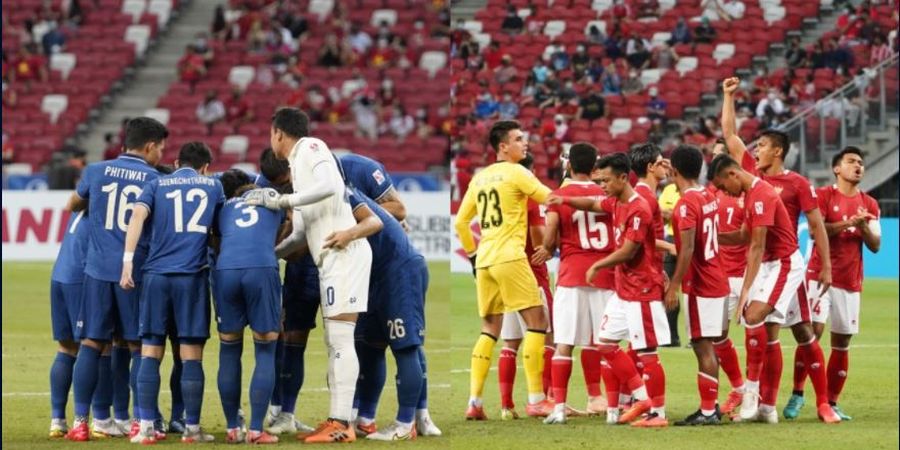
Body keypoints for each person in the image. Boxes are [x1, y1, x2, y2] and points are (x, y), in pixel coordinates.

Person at [244, 108, 373, 443]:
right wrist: (266, 257)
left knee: (341, 340)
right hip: (329, 260)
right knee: (335, 340)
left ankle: (341, 424)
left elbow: (331, 185)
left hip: (344, 256)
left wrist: (281, 200)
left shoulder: (311, 147)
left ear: (278, 133)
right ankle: (337, 419)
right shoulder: (299, 171)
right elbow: (300, 235)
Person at [721, 77, 840, 424]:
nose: (755, 151)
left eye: (761, 146)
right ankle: (767, 407)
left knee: (800, 332)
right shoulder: (749, 174)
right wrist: (728, 96)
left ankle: (822, 404)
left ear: (777, 151)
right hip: (763, 264)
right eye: (755, 146)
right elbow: (730, 134)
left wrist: (827, 267)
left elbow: (817, 226)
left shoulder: (797, 183)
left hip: (786, 264)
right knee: (766, 334)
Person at [64, 117, 166, 442]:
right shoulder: (154, 178)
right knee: (138, 347)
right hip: (132, 273)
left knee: (91, 344)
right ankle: (138, 421)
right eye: (160, 148)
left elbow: (72, 204)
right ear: (149, 146)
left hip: (95, 270)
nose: (161, 154)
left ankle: (80, 422)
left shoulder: (96, 170)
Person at [552, 153, 670, 427]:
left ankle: (659, 414)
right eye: (599, 180)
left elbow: (629, 251)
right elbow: (592, 204)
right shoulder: (615, 201)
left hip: (642, 290)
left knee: (647, 352)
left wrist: (597, 266)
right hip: (623, 289)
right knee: (604, 343)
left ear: (621, 177)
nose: (601, 185)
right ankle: (642, 397)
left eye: (605, 180)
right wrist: (564, 200)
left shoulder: (638, 208)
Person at [121, 142, 224, 444]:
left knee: (150, 352)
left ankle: (147, 428)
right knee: (191, 355)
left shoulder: (156, 183)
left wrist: (127, 263)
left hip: (155, 277)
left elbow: (137, 217)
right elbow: (219, 232)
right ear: (205, 166)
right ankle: (191, 429)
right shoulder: (213, 186)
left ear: (178, 162)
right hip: (191, 278)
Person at [454, 120, 556, 420]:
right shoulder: (517, 172)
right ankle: (537, 399)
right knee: (537, 320)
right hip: (510, 256)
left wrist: (472, 257)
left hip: (485, 260)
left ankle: (474, 401)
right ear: (503, 146)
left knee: (489, 329)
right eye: (519, 139)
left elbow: (461, 223)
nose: (525, 143)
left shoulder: (480, 178)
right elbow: (548, 197)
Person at [534, 143, 614, 424]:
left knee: (564, 343)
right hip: (605, 274)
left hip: (571, 273)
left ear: (569, 166)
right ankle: (606, 402)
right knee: (605, 342)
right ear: (595, 167)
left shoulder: (558, 196)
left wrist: (547, 246)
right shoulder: (606, 192)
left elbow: (551, 238)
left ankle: (559, 407)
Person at [801, 146, 880, 421]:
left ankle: (832, 402)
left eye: (860, 162)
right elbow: (815, 229)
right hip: (819, 274)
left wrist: (863, 227)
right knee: (814, 331)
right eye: (851, 161)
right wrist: (849, 223)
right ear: (837, 168)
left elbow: (876, 246)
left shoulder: (870, 204)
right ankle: (798, 393)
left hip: (849, 279)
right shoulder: (824, 195)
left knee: (842, 340)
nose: (858, 166)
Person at [213, 170, 285, 444]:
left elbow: (216, 239)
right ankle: (256, 430)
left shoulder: (223, 208)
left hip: (226, 269)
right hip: (261, 268)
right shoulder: (271, 201)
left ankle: (232, 428)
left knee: (229, 348)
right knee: (265, 347)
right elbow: (282, 230)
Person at [665, 145, 731, 426]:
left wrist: (673, 286)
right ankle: (711, 407)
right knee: (709, 347)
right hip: (718, 277)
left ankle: (707, 411)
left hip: (701, 284)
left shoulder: (685, 204)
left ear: (674, 171)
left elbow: (688, 248)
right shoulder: (708, 195)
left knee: (702, 346)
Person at [496, 154, 556, 420]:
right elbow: (539, 242)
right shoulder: (531, 198)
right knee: (548, 338)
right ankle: (544, 399)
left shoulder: (503, 198)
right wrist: (553, 244)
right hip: (532, 276)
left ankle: (506, 405)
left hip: (505, 271)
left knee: (510, 342)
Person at [707, 140, 748, 417]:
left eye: (721, 154)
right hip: (721, 275)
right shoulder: (712, 194)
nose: (716, 157)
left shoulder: (751, 193)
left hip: (749, 275)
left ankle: (760, 398)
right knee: (717, 337)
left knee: (760, 337)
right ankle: (739, 389)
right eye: (713, 155)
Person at [48, 210, 89, 438]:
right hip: (80, 279)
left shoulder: (80, 207)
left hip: (59, 276)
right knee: (95, 347)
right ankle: (100, 419)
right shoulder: (105, 208)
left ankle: (57, 420)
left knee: (66, 348)